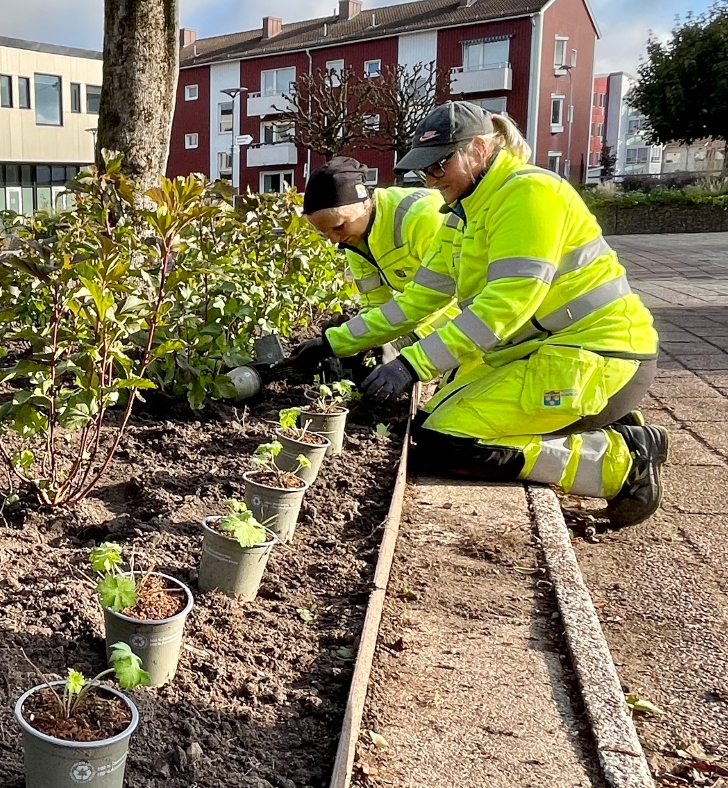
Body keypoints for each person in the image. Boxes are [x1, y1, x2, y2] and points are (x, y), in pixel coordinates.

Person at [286, 101, 668, 527]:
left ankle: (624, 462)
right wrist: (332, 341)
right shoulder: (463, 214)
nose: (431, 178)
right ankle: (603, 427)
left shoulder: (530, 194)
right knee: (429, 425)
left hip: (601, 356)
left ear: (481, 149)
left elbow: (505, 304)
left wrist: (413, 365)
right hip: (547, 357)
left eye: (439, 165)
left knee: (446, 443)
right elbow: (417, 299)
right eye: (425, 169)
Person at [301, 156, 453, 357]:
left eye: (338, 226)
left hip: (476, 321)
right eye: (324, 233)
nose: (333, 240)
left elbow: (440, 296)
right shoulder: (355, 240)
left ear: (364, 203)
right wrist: (363, 344)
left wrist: (407, 342)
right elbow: (375, 303)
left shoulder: (423, 217)